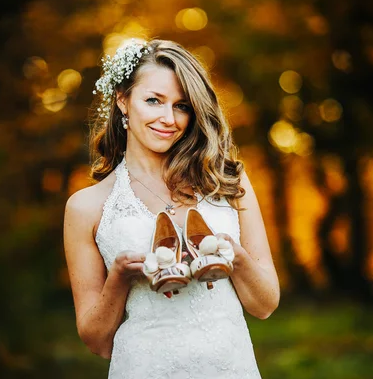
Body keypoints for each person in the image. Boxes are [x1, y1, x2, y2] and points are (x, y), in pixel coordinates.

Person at [63, 38, 279, 378]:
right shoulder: (86, 207)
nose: (169, 119)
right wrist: (119, 277)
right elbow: (96, 341)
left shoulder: (228, 181)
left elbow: (265, 306)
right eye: (153, 101)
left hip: (231, 367)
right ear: (123, 100)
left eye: (182, 106)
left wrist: (235, 258)